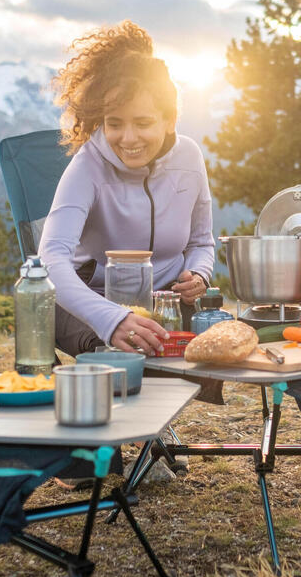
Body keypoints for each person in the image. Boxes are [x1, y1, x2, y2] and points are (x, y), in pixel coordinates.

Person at [39, 20, 215, 359]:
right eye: (114, 123)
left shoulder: (189, 158)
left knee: (218, 331)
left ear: (169, 120)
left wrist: (200, 275)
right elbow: (51, 260)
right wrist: (113, 318)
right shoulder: (87, 166)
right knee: (123, 350)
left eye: (143, 123)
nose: (128, 138)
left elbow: (201, 242)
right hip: (92, 303)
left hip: (167, 304)